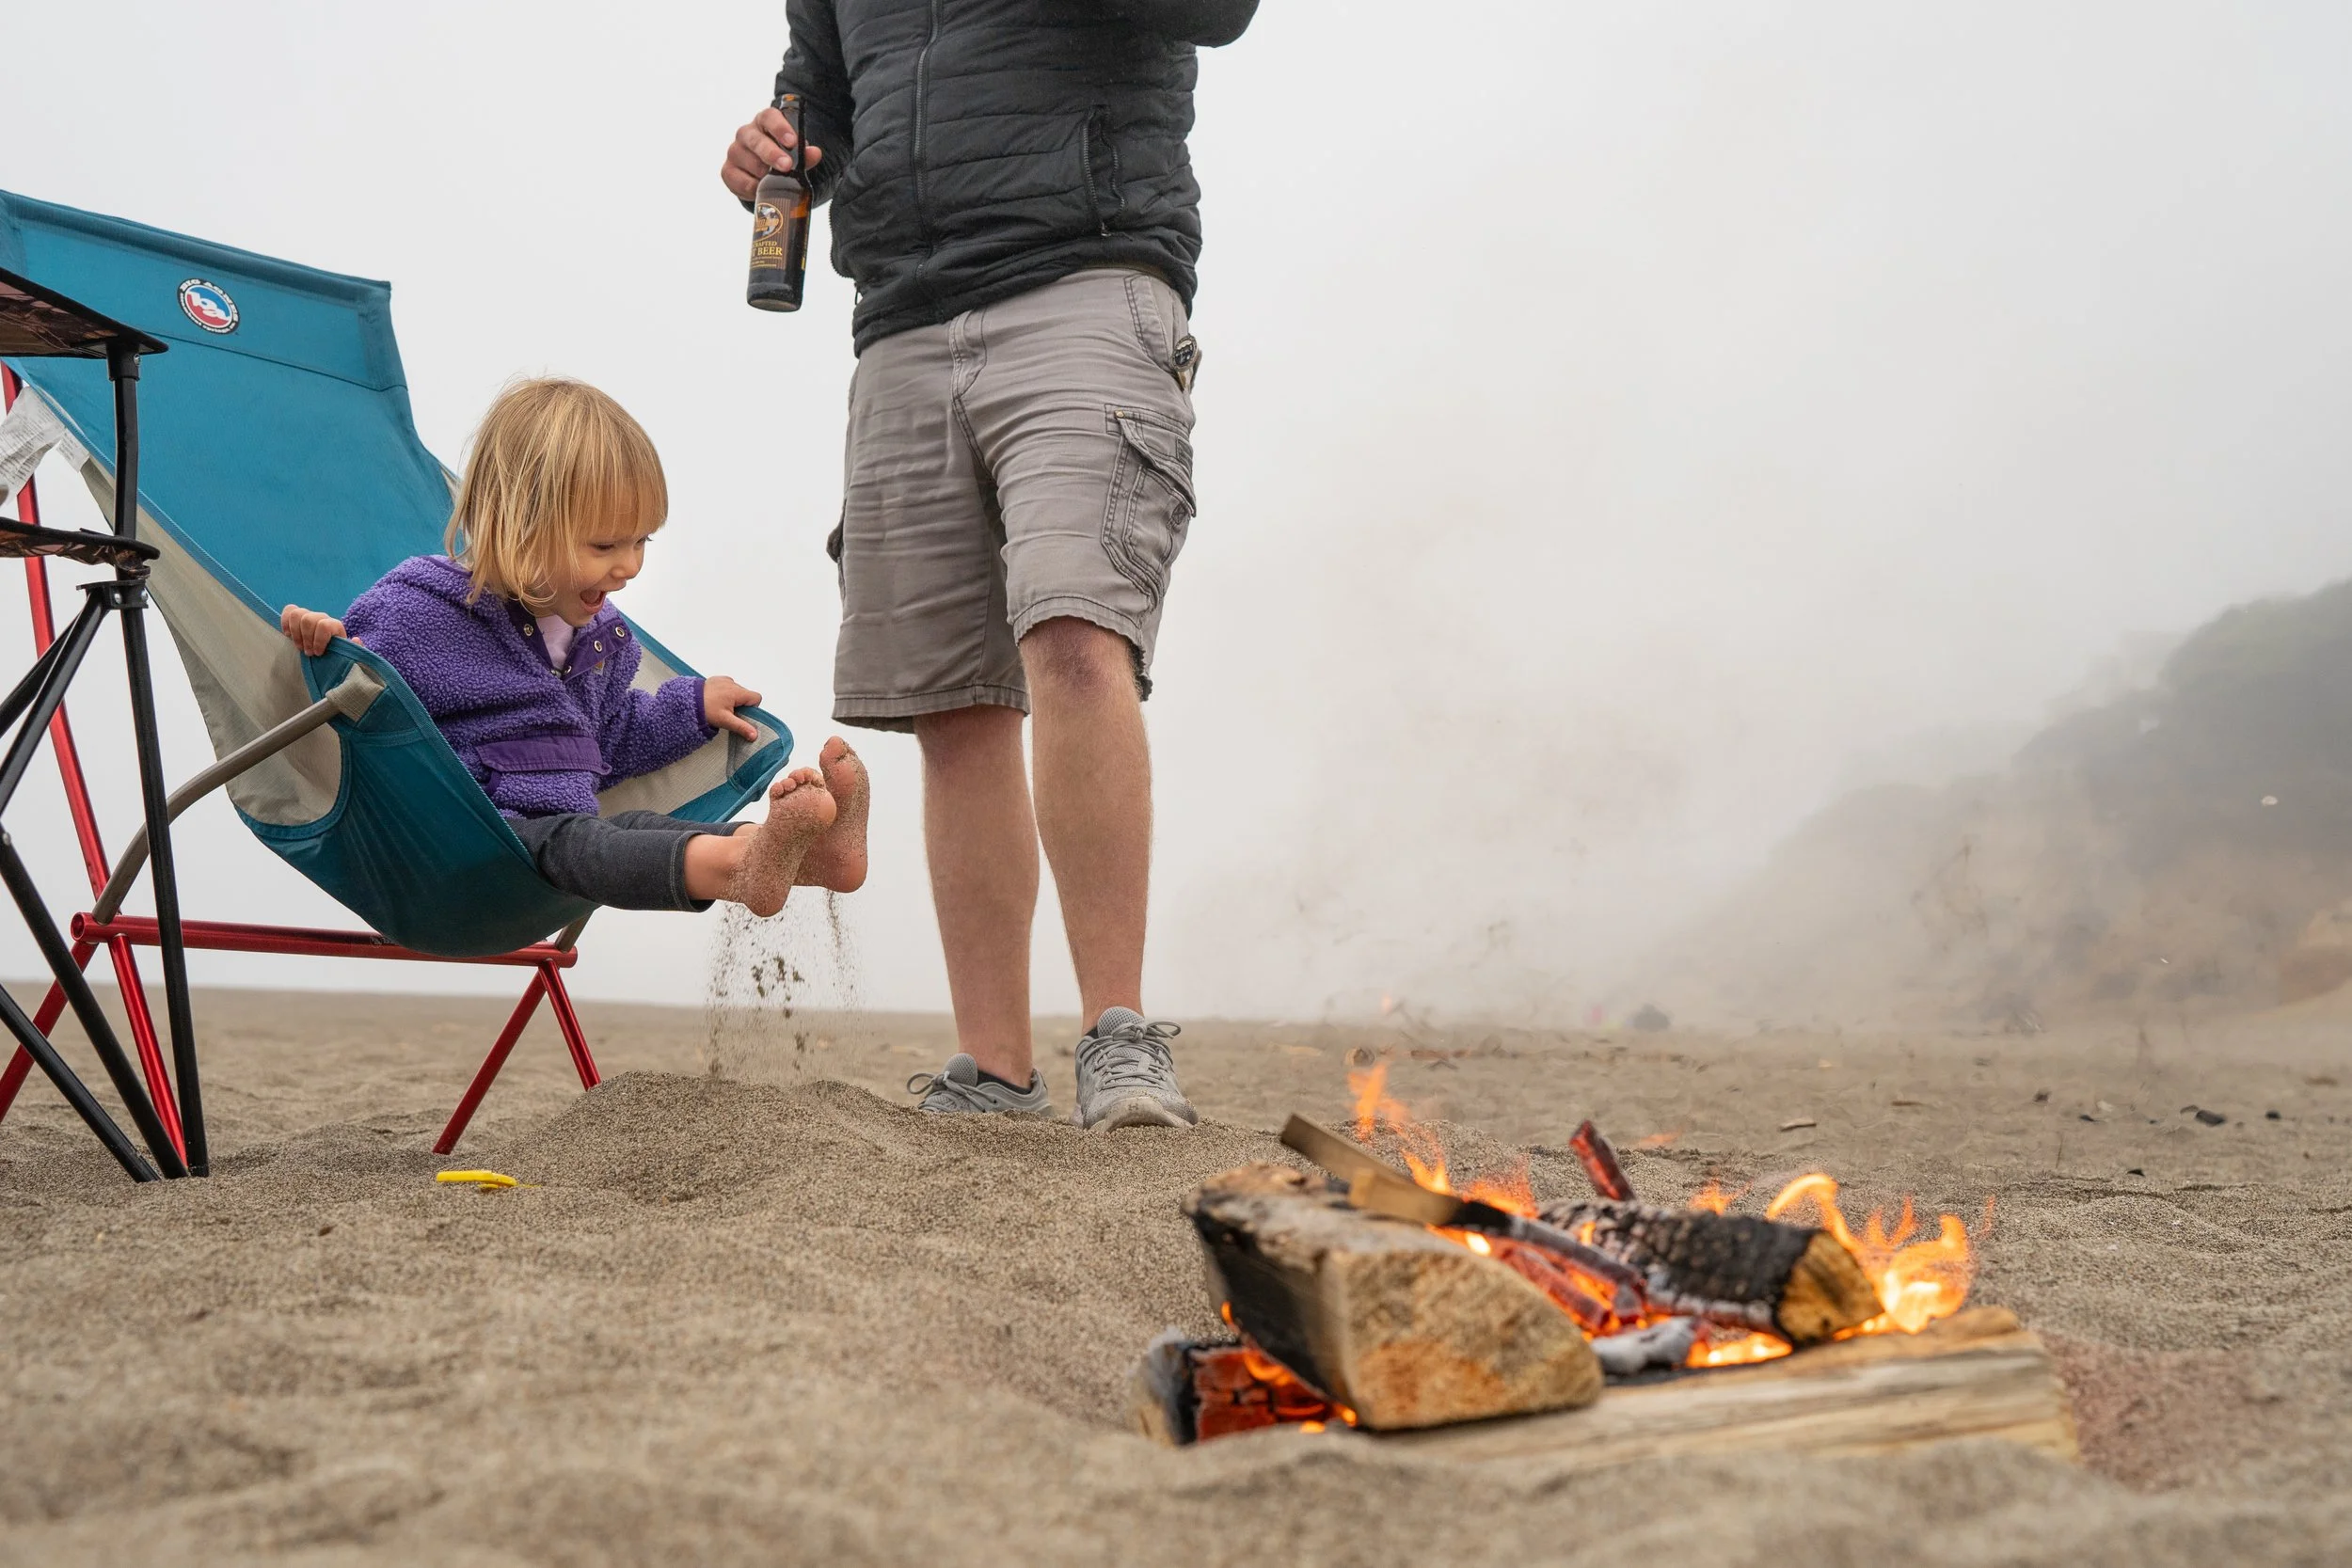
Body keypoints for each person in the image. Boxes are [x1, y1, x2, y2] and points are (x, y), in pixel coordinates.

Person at [721, 0, 1256, 1130]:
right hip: (900, 320)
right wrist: (783, 143)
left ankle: (1119, 1035)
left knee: (1073, 632)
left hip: (1086, 272)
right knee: (954, 706)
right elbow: (820, 89)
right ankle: (996, 1068)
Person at [278, 377, 869, 916]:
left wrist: (689, 708)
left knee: (634, 829)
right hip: (476, 840)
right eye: (606, 544)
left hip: (568, 833)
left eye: (641, 541)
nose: (630, 566)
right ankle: (743, 867)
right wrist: (328, 642)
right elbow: (360, 697)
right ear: (518, 523)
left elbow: (610, 741)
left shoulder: (600, 643)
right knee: (587, 845)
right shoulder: (421, 614)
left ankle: (798, 859)